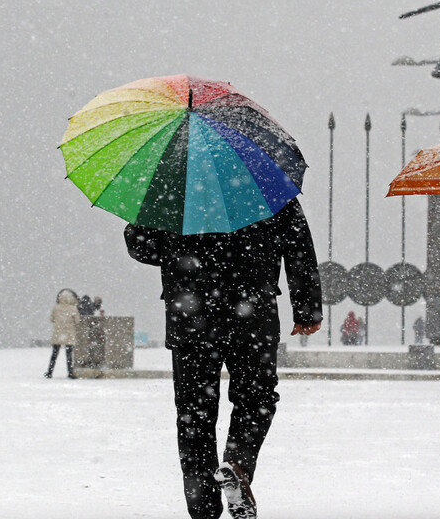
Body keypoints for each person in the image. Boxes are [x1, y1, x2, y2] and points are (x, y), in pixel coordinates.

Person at [124, 198, 322, 519]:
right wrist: (307, 307)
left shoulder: (173, 184)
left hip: (190, 311)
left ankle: (202, 507)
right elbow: (297, 243)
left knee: (194, 412)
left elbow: (143, 247)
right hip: (252, 308)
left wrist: (175, 240)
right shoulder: (263, 179)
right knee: (256, 397)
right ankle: (238, 463)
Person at [45, 288, 80, 379]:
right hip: (69, 333)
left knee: (54, 354)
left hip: (58, 333)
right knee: (69, 355)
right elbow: (77, 321)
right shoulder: (73, 308)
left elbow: (51, 319)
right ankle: (70, 372)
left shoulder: (56, 308)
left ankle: (50, 371)